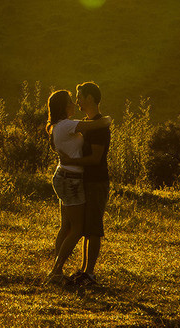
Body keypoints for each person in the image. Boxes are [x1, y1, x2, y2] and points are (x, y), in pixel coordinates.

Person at [45, 88, 111, 286]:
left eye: (79, 98)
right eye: (71, 101)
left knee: (66, 226)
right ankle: (56, 271)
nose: (75, 103)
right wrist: (107, 119)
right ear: (63, 107)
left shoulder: (60, 126)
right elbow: (101, 123)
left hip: (64, 176)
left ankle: (59, 271)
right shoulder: (68, 125)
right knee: (77, 229)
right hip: (71, 179)